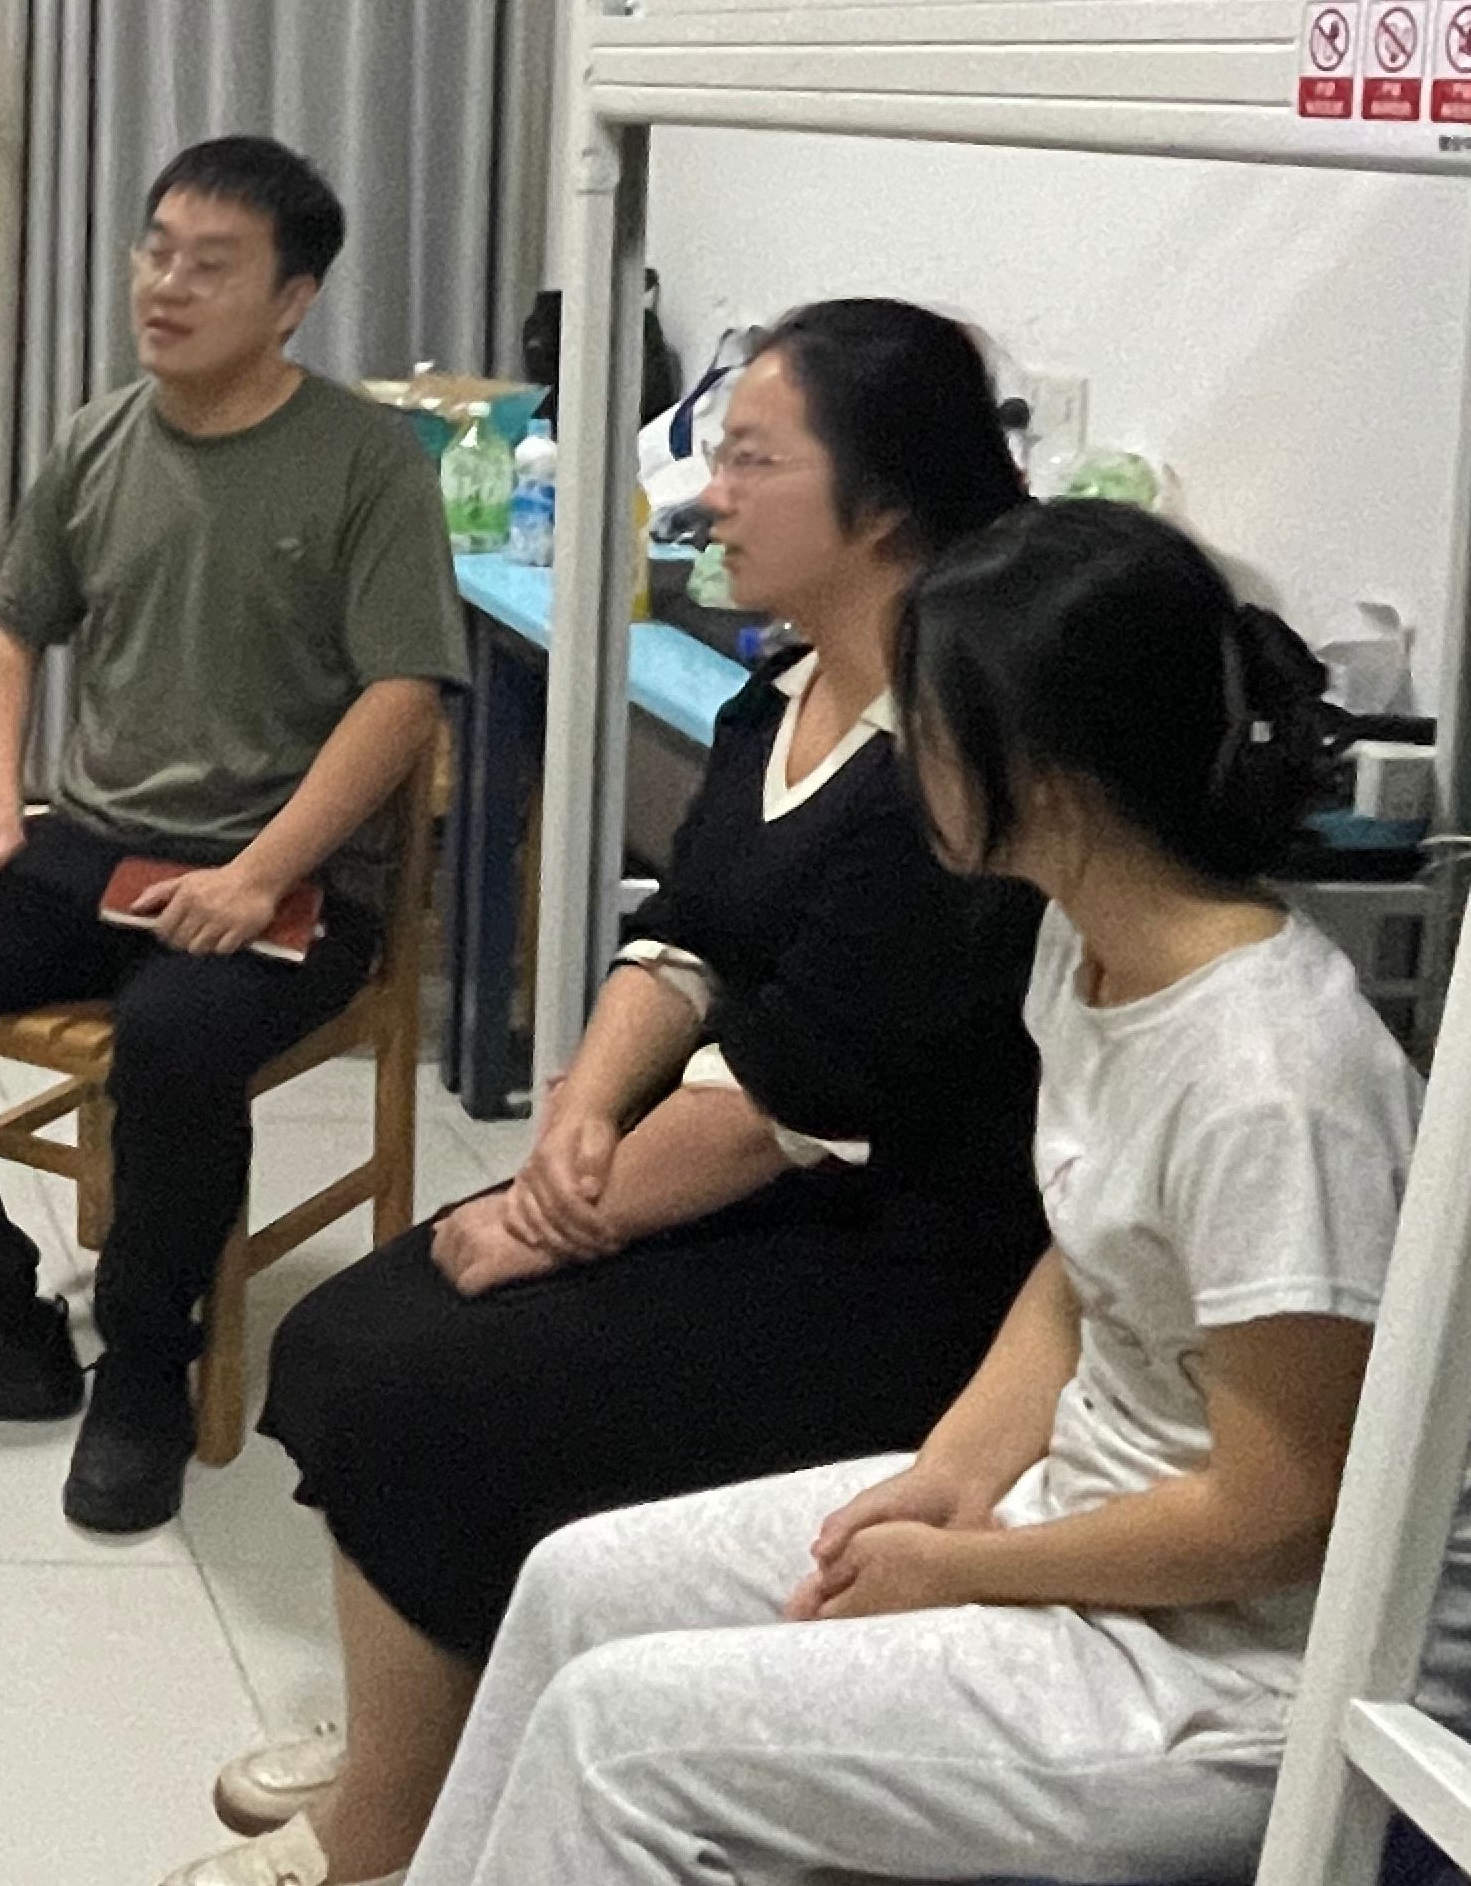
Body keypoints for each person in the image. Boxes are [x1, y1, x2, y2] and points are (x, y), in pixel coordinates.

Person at [406, 499, 1471, 1886]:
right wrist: (947, 1481)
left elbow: (1277, 1513)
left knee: (620, 1738)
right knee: (578, 1586)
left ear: (1044, 775)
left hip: (1250, 1672)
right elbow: (1086, 1263)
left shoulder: (1273, 1081)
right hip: (1097, 1521)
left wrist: (962, 1568)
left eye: (925, 727)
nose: (901, 757)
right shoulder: (1087, 941)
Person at [175, 301, 1046, 1886]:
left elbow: (792, 1094)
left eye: (754, 461)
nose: (708, 495)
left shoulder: (953, 756)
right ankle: (422, 1734)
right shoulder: (780, 696)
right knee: (355, 1331)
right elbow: (687, 937)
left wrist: (553, 1220)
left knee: (423, 1387)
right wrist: (580, 1107)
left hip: (897, 1256)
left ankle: (383, 1834)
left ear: (884, 507)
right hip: (748, 1172)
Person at [0, 136, 462, 1534]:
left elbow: (403, 697)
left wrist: (261, 873)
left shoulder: (365, 465)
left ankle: (149, 1371)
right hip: (93, 843)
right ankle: (1, 1316)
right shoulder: (99, 439)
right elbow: (7, 622)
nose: (166, 285)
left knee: (174, 1041)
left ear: (292, 301)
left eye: (211, 266)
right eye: (156, 251)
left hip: (290, 877)